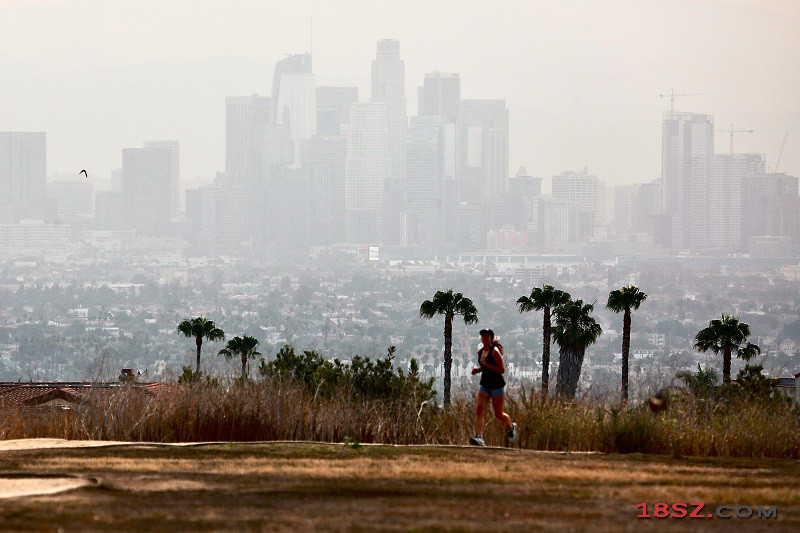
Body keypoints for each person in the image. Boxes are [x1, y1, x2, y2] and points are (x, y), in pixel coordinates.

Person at [469, 329, 518, 446]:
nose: (484, 338)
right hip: (485, 384)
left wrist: (486, 365)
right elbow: (485, 367)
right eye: (482, 336)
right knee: (479, 409)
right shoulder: (481, 351)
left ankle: (511, 427)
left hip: (497, 386)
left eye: (487, 336)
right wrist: (478, 370)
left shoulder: (495, 351)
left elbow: (501, 369)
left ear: (491, 338)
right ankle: (479, 437)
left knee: (498, 414)